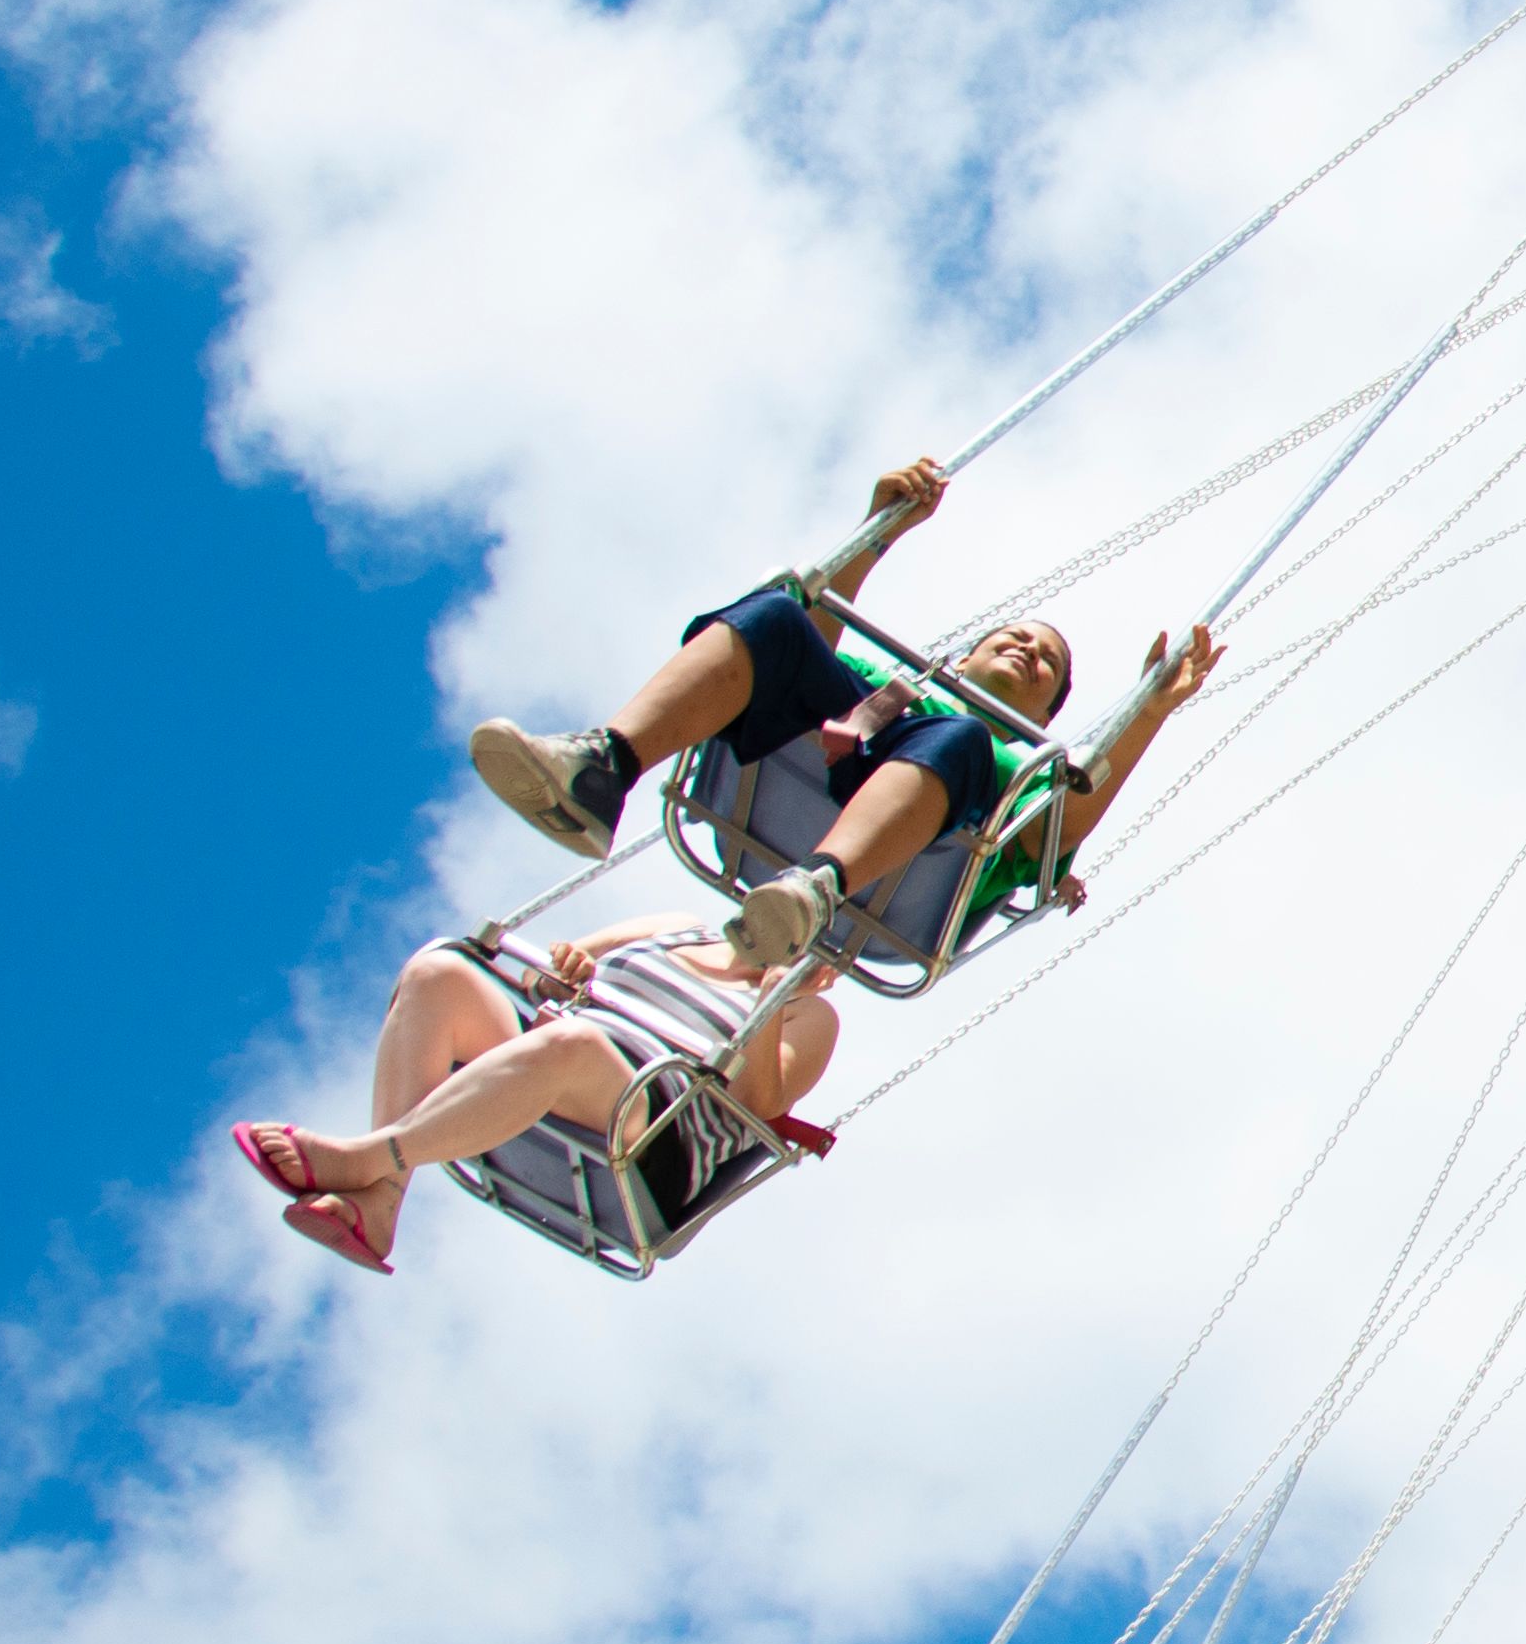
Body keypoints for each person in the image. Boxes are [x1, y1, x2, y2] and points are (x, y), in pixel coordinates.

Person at [464, 457, 1215, 970]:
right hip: (796, 776)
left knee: (958, 738)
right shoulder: (877, 682)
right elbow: (806, 644)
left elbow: (1066, 832)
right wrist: (880, 526)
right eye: (1015, 636)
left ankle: (817, 887)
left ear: (1045, 714)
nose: (1028, 649)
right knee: (780, 617)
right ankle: (603, 767)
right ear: (963, 657)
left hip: (901, 886)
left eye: (1046, 662)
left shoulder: (1019, 776)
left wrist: (1150, 709)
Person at [228, 919, 830, 1273]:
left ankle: (368, 1159)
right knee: (439, 970)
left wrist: (772, 1003)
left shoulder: (812, 1015)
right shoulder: (673, 927)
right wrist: (563, 970)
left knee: (575, 1044)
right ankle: (381, 1203)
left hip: (654, 1129)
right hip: (561, 1053)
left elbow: (760, 1102)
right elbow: (549, 974)